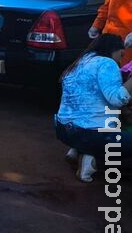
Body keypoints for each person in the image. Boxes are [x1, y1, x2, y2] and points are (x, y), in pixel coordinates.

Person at [55, 33, 132, 181]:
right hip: (90, 135)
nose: (120, 61)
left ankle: (77, 150)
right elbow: (117, 99)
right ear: (112, 49)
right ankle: (91, 161)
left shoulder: (81, 61)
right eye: (121, 55)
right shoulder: (107, 63)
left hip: (64, 130)